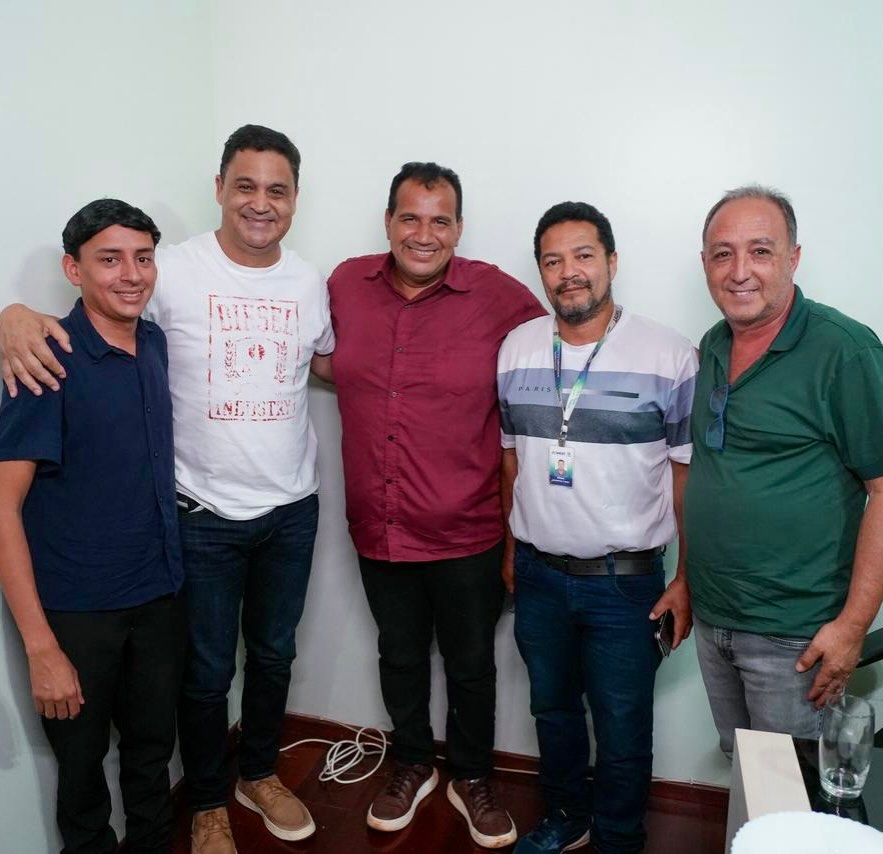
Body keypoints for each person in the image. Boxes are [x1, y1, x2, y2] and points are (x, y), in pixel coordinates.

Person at [0, 126, 334, 854]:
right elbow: (82, 321)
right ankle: (208, 803)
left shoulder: (309, 283)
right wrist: (10, 316)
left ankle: (258, 774)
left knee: (273, 656)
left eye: (277, 190)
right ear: (219, 188)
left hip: (290, 510)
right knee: (206, 674)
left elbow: (328, 365)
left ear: (295, 199)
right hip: (200, 516)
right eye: (245, 185)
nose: (260, 202)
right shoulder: (170, 269)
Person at [315, 162, 545, 848]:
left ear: (459, 228)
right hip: (379, 523)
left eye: (439, 220)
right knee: (399, 654)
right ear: (388, 222)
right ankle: (411, 762)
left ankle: (471, 776)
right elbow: (307, 347)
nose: (424, 234)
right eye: (410, 218)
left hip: (468, 527)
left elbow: (561, 347)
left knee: (471, 664)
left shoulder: (497, 295)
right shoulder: (344, 284)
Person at [498, 201, 697, 854]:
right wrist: (510, 550)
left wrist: (687, 578)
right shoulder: (516, 349)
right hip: (537, 573)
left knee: (621, 724)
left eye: (583, 256)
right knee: (551, 711)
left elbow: (686, 478)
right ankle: (566, 816)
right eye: (552, 261)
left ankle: (617, 837)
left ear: (611, 262)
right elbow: (511, 461)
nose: (569, 272)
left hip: (625, 583)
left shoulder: (669, 355)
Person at [0, 199, 185, 853]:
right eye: (110, 259)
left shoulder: (155, 344)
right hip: (77, 614)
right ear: (73, 269)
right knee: (81, 778)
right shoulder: (44, 361)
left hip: (159, 596)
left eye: (143, 257)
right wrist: (41, 648)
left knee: (151, 755)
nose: (131, 274)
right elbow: (3, 507)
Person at [685, 185, 883, 758]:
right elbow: (712, 473)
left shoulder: (845, 351)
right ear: (704, 263)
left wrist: (852, 627)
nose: (739, 271)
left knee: (791, 792)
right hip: (714, 618)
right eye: (723, 254)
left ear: (793, 258)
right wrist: (687, 584)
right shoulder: (713, 345)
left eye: (760, 251)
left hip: (795, 635)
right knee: (747, 775)